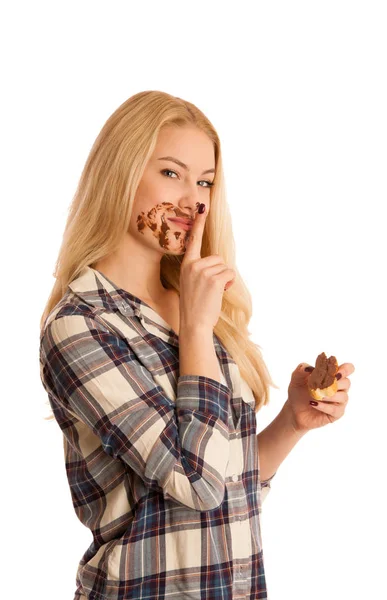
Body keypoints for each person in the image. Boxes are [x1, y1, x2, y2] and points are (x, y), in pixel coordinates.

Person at [39, 90, 355, 600]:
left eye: (205, 181)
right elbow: (198, 484)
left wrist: (292, 423)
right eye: (171, 173)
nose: (194, 200)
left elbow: (229, 486)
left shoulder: (197, 308)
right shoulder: (81, 326)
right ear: (120, 173)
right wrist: (196, 328)